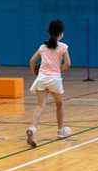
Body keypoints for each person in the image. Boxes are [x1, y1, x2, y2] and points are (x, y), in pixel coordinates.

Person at [26, 19, 72, 147]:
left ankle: (33, 129)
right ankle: (60, 131)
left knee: (40, 105)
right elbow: (68, 64)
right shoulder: (63, 47)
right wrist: (59, 70)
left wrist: (35, 74)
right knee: (59, 104)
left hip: (41, 79)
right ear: (61, 33)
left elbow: (31, 61)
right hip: (55, 80)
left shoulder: (42, 47)